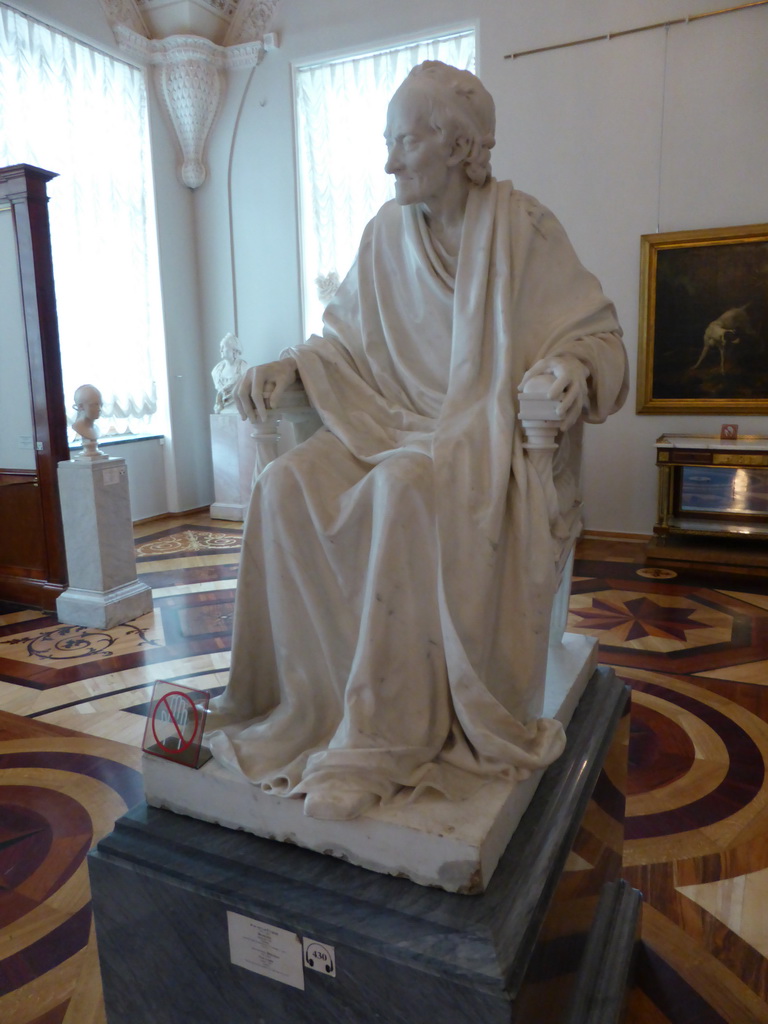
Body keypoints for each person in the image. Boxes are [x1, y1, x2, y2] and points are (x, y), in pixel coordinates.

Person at [206, 61, 628, 821]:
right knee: (283, 485)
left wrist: (568, 368)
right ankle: (304, 703)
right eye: (388, 143)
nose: (391, 161)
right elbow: (342, 345)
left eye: (405, 142)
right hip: (383, 420)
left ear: (459, 146)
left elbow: (600, 340)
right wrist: (289, 366)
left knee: (402, 487)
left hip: (475, 440)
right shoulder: (383, 234)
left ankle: (380, 740)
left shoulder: (523, 231)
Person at [211, 332, 248, 413]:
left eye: (223, 347)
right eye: (220, 347)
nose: (220, 350)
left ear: (234, 350)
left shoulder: (243, 367)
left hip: (239, 409)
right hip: (223, 410)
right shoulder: (216, 371)